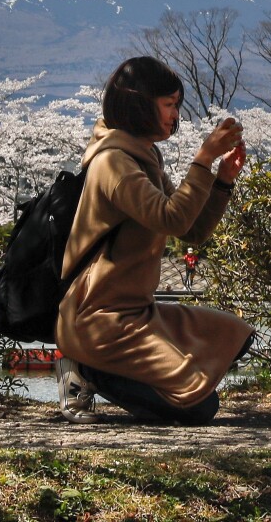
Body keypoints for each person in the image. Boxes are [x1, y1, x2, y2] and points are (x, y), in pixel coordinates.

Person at [53, 56, 254, 425]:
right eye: (169, 104)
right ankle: (89, 369)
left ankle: (115, 372)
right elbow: (170, 219)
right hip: (99, 318)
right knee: (200, 408)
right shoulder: (114, 163)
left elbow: (190, 229)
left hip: (137, 311)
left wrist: (222, 179)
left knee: (235, 336)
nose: (175, 115)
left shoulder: (146, 157)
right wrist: (204, 157)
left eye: (176, 104)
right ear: (139, 103)